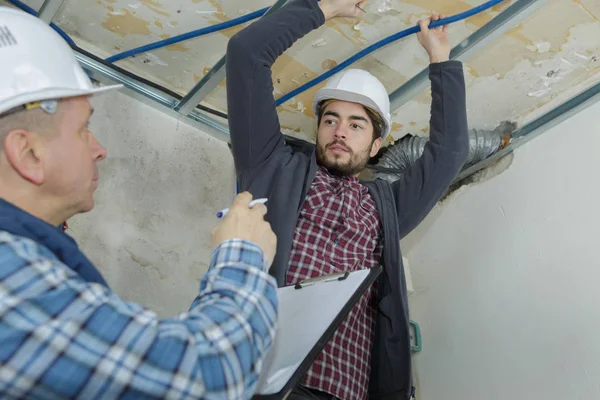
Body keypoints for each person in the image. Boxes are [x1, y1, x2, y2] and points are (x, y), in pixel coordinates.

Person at [0, 7, 278, 399]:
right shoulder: (11, 281)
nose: (99, 149)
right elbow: (208, 377)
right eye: (83, 129)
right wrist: (242, 253)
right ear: (27, 153)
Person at [226, 0, 469, 398]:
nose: (340, 131)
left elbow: (449, 153)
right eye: (330, 119)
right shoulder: (272, 167)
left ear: (376, 145)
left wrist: (441, 60)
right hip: (267, 385)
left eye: (356, 125)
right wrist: (323, 8)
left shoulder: (386, 209)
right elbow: (246, 54)